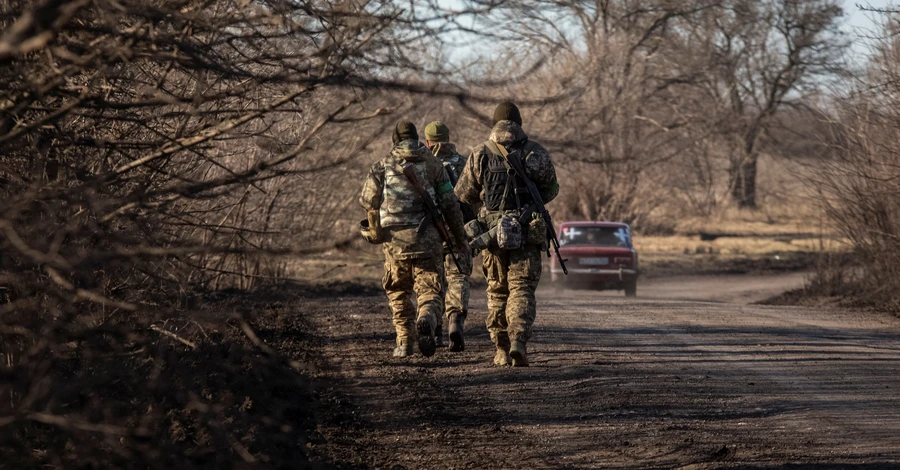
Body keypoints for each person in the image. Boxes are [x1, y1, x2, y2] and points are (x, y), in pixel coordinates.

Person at [454, 102, 559, 367]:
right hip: (527, 234)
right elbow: (551, 190)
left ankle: (500, 349)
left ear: (495, 123)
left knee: (498, 292)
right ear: (519, 123)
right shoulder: (536, 153)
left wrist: (487, 209)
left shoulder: (480, 153)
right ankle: (518, 342)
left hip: (492, 236)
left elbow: (463, 194)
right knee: (522, 289)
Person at [359, 121, 468, 358]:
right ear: (418, 138)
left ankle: (405, 342)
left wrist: (376, 232)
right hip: (429, 240)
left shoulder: (382, 165)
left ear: (394, 140)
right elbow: (450, 204)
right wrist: (459, 238)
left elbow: (368, 202)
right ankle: (427, 317)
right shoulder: (434, 163)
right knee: (430, 289)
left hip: (395, 241)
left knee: (398, 290)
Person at [424, 121, 475, 352]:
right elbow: (475, 200)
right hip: (459, 230)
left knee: (433, 281)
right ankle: (455, 320)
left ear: (427, 142)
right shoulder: (464, 163)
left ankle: (435, 332)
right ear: (448, 138)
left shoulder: (424, 166)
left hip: (430, 232)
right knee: (458, 277)